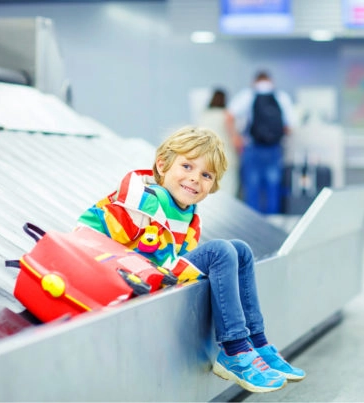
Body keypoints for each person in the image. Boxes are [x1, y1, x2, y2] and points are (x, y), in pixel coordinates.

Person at [77, 126, 305, 393]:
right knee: (220, 250)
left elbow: (176, 258)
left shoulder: (187, 214)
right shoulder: (139, 205)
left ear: (213, 184)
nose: (195, 178)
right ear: (162, 165)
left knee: (240, 250)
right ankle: (234, 350)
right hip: (123, 277)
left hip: (157, 272)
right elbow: (88, 237)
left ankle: (258, 343)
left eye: (206, 174)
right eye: (187, 166)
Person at [226, 70, 296, 214]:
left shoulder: (247, 95)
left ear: (254, 81)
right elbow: (289, 127)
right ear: (271, 81)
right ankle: (274, 221)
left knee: (252, 187)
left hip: (252, 147)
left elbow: (229, 116)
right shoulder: (281, 96)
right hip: (274, 149)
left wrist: (236, 137)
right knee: (273, 187)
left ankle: (253, 223)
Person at [197, 88, 242, 198]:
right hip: (226, 157)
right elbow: (236, 138)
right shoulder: (227, 115)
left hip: (207, 157)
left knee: (209, 188)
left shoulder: (204, 115)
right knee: (228, 190)